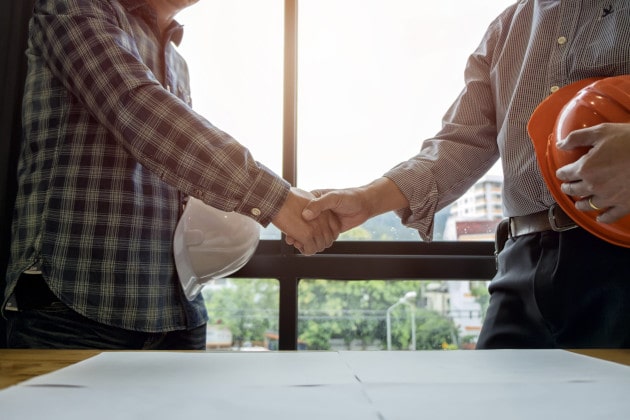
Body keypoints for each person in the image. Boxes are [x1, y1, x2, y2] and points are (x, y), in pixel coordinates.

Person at [2, 0, 339, 350]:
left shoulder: (178, 62)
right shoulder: (73, 7)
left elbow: (176, 162)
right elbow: (136, 109)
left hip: (178, 311)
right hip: (75, 307)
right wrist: (276, 200)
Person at [297, 1, 630, 349]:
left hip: (618, 256)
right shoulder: (506, 29)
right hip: (523, 260)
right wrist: (366, 200)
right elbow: (461, 143)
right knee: (501, 401)